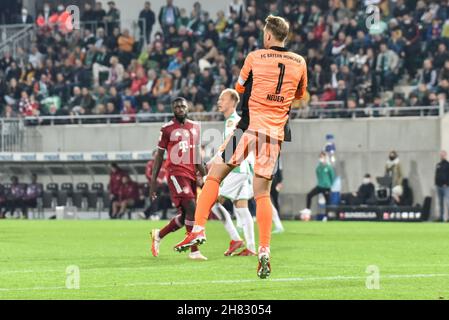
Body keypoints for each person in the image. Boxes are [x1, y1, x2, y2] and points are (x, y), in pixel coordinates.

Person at [174, 15, 307, 279]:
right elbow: (300, 96)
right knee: (262, 194)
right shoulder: (300, 62)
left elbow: (239, 88)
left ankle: (198, 229)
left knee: (214, 174)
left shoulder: (255, 57)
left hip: (246, 127)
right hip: (274, 134)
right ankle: (265, 250)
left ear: (268, 36)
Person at [149, 97, 207, 261]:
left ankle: (158, 235)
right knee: (192, 207)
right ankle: (194, 250)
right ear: (173, 109)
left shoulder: (196, 127)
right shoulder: (166, 128)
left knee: (185, 216)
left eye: (182, 106)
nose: (180, 109)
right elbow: (159, 157)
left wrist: (206, 176)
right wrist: (153, 183)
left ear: (188, 108)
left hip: (191, 173)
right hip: (175, 172)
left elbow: (196, 155)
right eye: (177, 107)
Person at [210, 88, 256, 256]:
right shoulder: (235, 121)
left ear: (232, 102)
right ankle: (251, 248)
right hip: (243, 170)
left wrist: (213, 165)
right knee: (242, 208)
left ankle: (235, 238)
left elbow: (230, 148)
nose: (219, 102)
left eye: (222, 99)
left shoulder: (232, 122)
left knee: (211, 202)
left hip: (234, 170)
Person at [300, 152, 335, 217]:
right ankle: (308, 209)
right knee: (309, 195)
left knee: (328, 202)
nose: (321, 158)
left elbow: (332, 177)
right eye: (320, 157)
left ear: (325, 158)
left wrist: (330, 185)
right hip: (319, 186)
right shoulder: (318, 167)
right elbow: (318, 175)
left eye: (322, 157)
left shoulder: (329, 167)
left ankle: (327, 216)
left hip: (327, 187)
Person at [270, 155, 284, 233]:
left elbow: (280, 170)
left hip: (273, 182)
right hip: (267, 180)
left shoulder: (277, 158)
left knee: (275, 201)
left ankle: (278, 219)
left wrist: (280, 182)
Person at [435, 150, 449, 222]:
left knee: (447, 201)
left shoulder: (447, 164)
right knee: (440, 202)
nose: (442, 156)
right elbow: (436, 175)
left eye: (443, 155)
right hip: (438, 186)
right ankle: (441, 217)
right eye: (441, 155)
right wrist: (436, 183)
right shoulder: (438, 164)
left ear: (445, 155)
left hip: (446, 187)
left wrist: (446, 183)